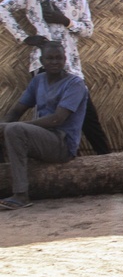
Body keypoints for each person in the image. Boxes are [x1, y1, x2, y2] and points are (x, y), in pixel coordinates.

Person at [0, 0, 110, 154]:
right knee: (47, 114)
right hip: (43, 63)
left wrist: (66, 21)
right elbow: (4, 8)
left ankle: (108, 159)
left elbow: (88, 30)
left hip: (71, 64)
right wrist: (24, 38)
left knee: (88, 116)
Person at [0, 42, 88, 210]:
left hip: (62, 144)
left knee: (14, 129)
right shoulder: (38, 80)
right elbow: (16, 111)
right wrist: (3, 124)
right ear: (42, 60)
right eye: (50, 58)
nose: (54, 62)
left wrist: (12, 126)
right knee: (7, 127)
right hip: (41, 139)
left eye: (58, 58)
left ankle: (21, 195)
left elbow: (57, 119)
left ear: (65, 59)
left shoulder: (74, 84)